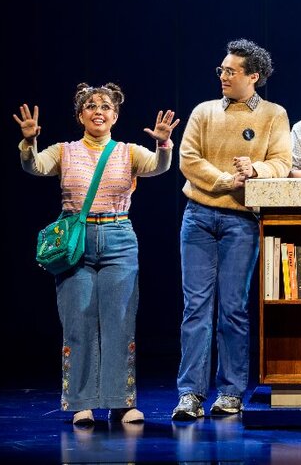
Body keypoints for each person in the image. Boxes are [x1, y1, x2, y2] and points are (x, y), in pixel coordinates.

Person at [14, 83, 180, 426]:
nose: (98, 110)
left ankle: (121, 402)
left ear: (115, 116)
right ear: (81, 116)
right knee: (79, 322)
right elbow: (34, 166)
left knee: (119, 322)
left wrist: (163, 144)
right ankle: (81, 402)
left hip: (119, 237)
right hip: (77, 241)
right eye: (90, 106)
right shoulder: (63, 151)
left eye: (105, 106)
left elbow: (159, 166)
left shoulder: (128, 152)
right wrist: (29, 142)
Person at [173, 38, 292, 420]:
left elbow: (282, 162)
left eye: (231, 71)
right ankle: (190, 394)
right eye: (221, 70)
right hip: (199, 217)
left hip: (241, 220)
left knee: (234, 310)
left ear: (253, 76)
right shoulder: (204, 112)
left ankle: (230, 393)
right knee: (196, 308)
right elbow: (189, 160)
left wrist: (256, 171)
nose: (223, 76)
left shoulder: (273, 115)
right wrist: (226, 179)